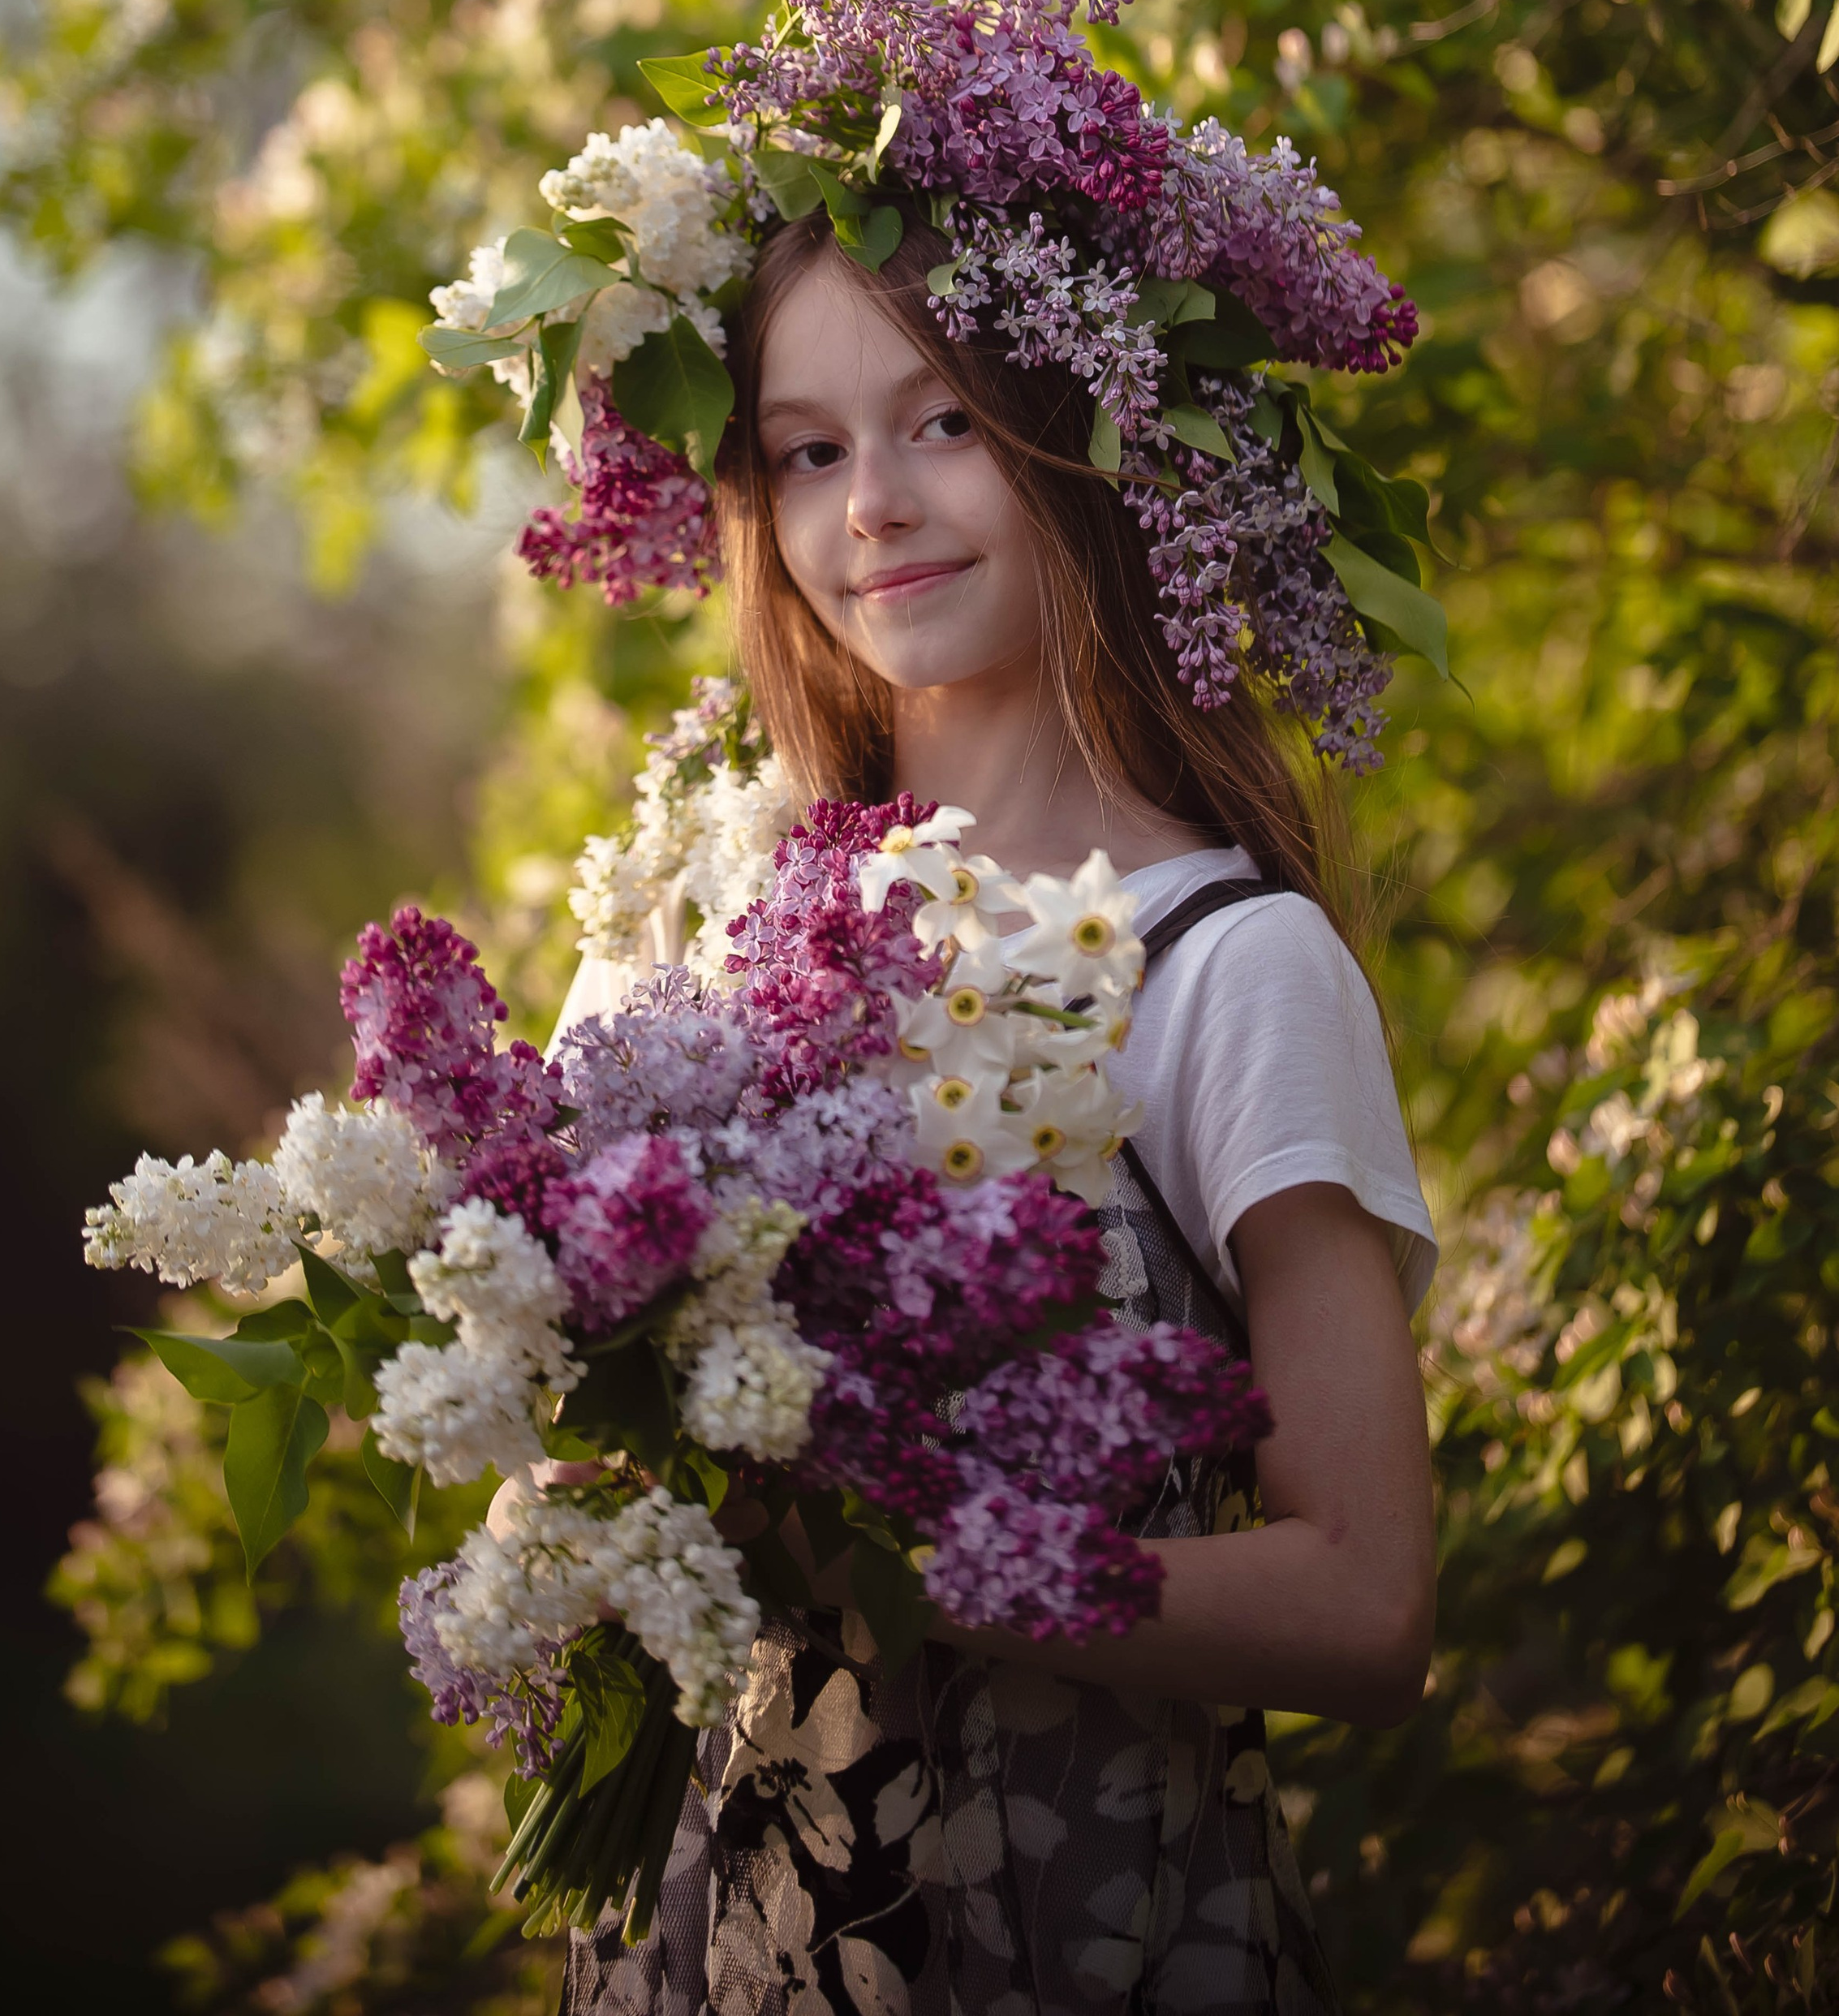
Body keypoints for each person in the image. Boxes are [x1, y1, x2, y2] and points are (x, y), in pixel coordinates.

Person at [545, 202, 1436, 2016]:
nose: (867, 501)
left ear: (1092, 439)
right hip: (701, 1943)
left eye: (941, 419)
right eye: (805, 450)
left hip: (1070, 1927)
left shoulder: (1222, 965)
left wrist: (916, 1560)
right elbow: (569, 1461)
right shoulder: (688, 928)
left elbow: (1364, 1606)